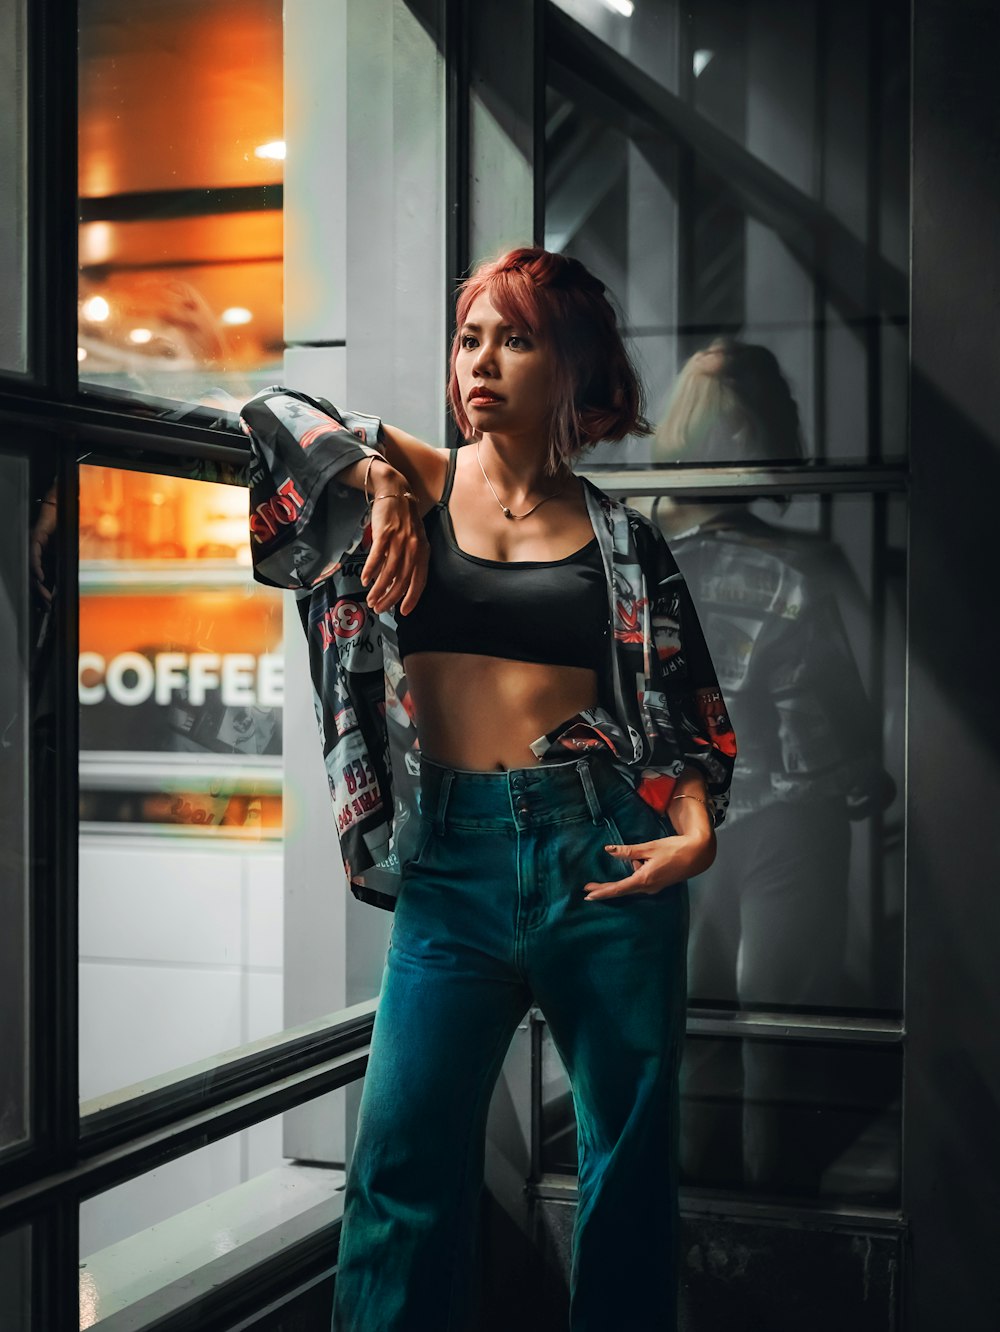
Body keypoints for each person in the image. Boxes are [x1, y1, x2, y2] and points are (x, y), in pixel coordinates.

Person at [240, 248, 736, 1331]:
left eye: (516, 338)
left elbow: (687, 718)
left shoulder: (626, 542)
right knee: (400, 1169)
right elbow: (269, 408)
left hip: (603, 854)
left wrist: (693, 832)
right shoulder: (409, 477)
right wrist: (374, 481)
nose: (483, 362)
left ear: (571, 366)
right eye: (470, 337)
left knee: (628, 1167)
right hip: (450, 868)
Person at [647, 338, 897, 1193]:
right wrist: (867, 772)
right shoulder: (801, 562)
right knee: (771, 1023)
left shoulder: (637, 547)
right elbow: (858, 701)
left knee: (709, 1018)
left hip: (696, 810)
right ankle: (757, 1201)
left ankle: (713, 1209)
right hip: (780, 808)